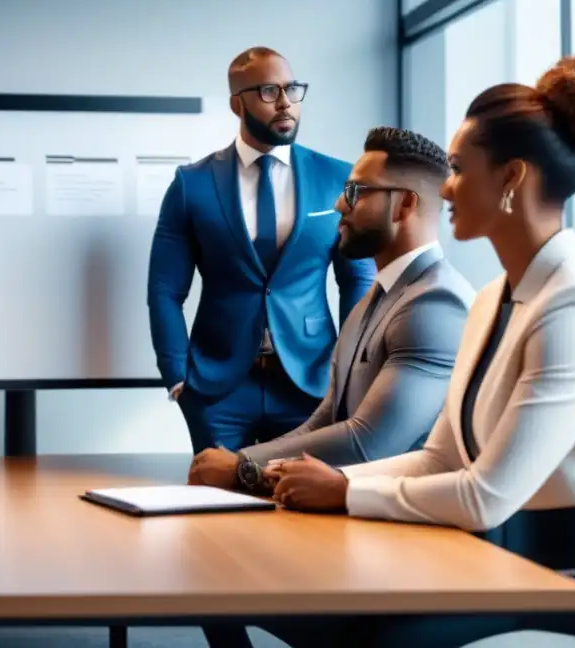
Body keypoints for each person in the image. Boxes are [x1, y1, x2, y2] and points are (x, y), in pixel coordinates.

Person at [248, 56, 575, 648]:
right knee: (305, 610)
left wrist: (347, 490)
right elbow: (440, 461)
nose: (446, 187)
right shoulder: (491, 298)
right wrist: (317, 478)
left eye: (458, 169)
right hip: (497, 555)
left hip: (563, 579)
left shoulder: (573, 310)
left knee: (366, 635)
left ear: (511, 177)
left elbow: (483, 495)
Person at [188, 126, 474, 492]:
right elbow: (323, 421)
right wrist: (240, 460)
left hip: (409, 533)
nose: (340, 204)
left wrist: (243, 467)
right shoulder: (375, 299)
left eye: (356, 191)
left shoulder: (435, 304)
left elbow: (368, 443)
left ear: (404, 204)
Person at [147, 47, 375, 453]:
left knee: (303, 509)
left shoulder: (338, 178)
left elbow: (357, 280)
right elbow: (164, 291)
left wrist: (349, 372)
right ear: (238, 104)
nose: (285, 102)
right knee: (215, 508)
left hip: (311, 382)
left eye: (292, 89)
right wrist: (178, 378)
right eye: (269, 91)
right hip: (218, 389)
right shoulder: (191, 185)